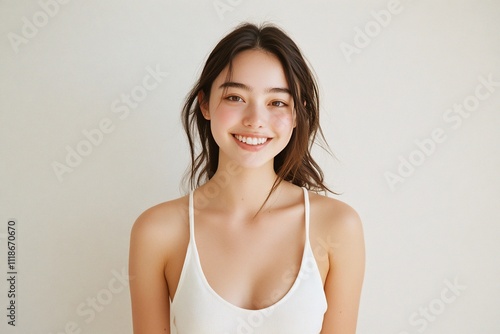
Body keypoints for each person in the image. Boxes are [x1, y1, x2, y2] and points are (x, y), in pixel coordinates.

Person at [129, 22, 365, 334]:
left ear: (297, 114)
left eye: (276, 102)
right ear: (205, 104)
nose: (255, 120)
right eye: (235, 97)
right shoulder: (157, 231)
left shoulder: (337, 227)